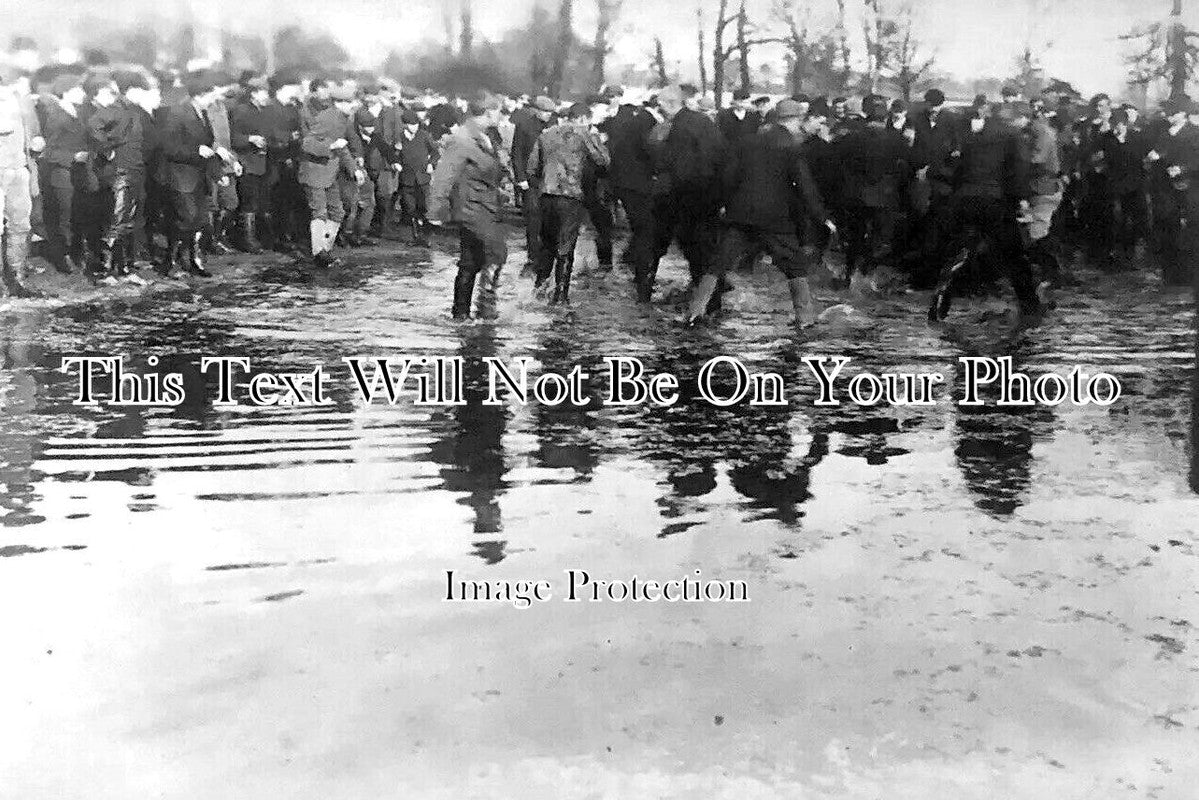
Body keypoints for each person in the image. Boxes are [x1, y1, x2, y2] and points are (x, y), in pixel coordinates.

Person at [687, 99, 835, 329]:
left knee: (719, 262)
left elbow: (729, 177)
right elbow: (805, 186)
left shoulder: (748, 141)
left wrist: (724, 204)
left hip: (741, 213)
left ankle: (694, 312)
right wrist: (822, 217)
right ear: (795, 120)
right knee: (794, 264)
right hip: (775, 217)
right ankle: (805, 319)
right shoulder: (791, 146)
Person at [929, 98, 1041, 322]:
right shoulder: (1012, 135)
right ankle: (1030, 307)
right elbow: (1018, 171)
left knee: (961, 252)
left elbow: (956, 169)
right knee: (1014, 255)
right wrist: (1022, 200)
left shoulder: (974, 137)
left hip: (965, 200)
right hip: (995, 202)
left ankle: (941, 301)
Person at [428, 99, 508, 320]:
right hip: (472, 206)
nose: (501, 116)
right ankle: (486, 310)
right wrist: (436, 210)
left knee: (471, 260)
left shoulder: (486, 136)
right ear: (488, 112)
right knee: (496, 253)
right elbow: (444, 176)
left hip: (484, 204)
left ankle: (460, 313)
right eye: (499, 111)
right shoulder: (463, 139)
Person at [647, 85, 725, 306]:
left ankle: (705, 302)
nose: (659, 109)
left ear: (671, 104)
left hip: (688, 197)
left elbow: (680, 167)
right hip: (709, 195)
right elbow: (720, 155)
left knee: (694, 249)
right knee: (706, 249)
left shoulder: (679, 128)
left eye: (661, 105)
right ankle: (710, 298)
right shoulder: (703, 122)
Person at [525, 101, 611, 303]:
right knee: (565, 247)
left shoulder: (546, 134)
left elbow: (531, 167)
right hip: (571, 196)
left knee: (547, 244)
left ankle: (539, 290)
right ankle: (560, 296)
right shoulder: (584, 134)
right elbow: (603, 162)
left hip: (546, 195)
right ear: (582, 118)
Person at [158, 71, 223, 277]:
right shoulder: (178, 113)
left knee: (199, 220)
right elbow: (168, 147)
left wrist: (216, 165)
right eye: (211, 95)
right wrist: (196, 151)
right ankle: (172, 261)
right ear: (200, 94)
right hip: (180, 176)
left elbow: (207, 143)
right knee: (186, 218)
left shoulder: (201, 113)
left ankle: (193, 260)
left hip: (199, 176)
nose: (214, 100)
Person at [85, 71, 145, 280]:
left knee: (127, 223)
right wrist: (106, 149)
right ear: (129, 91)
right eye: (140, 90)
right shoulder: (116, 110)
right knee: (117, 222)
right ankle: (105, 271)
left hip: (134, 170)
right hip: (121, 171)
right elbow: (93, 125)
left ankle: (124, 269)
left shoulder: (131, 111)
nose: (143, 94)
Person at [298, 78, 360, 267]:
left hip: (329, 172)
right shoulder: (327, 118)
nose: (354, 105)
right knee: (320, 212)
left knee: (337, 212)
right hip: (314, 172)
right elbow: (307, 143)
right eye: (350, 102)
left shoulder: (342, 119)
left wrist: (354, 169)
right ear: (340, 103)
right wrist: (330, 146)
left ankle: (326, 248)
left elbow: (343, 147)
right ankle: (319, 252)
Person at [40, 71, 91, 273]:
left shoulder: (77, 112)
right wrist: (72, 157)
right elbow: (49, 151)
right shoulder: (56, 116)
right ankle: (63, 257)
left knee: (78, 215)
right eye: (78, 89)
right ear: (67, 92)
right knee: (65, 218)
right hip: (61, 176)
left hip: (77, 174)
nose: (82, 93)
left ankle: (76, 253)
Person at [1146, 96, 1199, 285]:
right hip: (1165, 189)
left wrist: (1183, 169)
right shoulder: (1164, 134)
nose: (1169, 115)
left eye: (1173, 111)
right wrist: (1155, 158)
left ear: (1183, 113)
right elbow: (1157, 155)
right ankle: (1170, 273)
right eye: (1168, 111)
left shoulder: (1195, 133)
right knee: (1168, 228)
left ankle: (1189, 275)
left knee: (1190, 230)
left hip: (1190, 188)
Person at [606, 88, 657, 281]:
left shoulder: (624, 121)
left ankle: (629, 258)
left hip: (622, 179)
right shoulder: (646, 123)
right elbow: (648, 150)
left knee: (639, 224)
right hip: (638, 181)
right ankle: (638, 268)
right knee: (645, 226)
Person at [0, 65, 42, 297]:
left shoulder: (20, 101)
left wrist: (37, 141)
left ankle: (17, 280)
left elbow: (33, 131)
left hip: (18, 169)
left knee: (20, 226)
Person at [510, 95, 556, 269]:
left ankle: (547, 251)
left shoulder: (554, 126)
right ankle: (533, 255)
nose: (548, 115)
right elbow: (517, 153)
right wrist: (520, 178)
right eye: (545, 112)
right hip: (530, 179)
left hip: (549, 178)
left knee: (549, 217)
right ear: (536, 111)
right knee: (533, 217)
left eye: (550, 112)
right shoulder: (524, 126)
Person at [229, 74, 272, 253]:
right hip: (247, 163)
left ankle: (257, 237)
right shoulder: (242, 111)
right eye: (263, 93)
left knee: (259, 202)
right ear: (254, 94)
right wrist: (250, 139)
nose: (267, 97)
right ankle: (247, 240)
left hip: (261, 164)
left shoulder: (263, 112)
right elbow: (232, 138)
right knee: (248, 203)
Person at [396, 107, 437, 245]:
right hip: (407, 178)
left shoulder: (424, 136)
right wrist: (396, 162)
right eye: (411, 125)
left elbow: (436, 152)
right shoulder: (400, 137)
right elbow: (394, 155)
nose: (414, 127)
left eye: (416, 124)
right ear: (405, 124)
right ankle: (416, 236)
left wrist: (431, 163)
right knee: (410, 208)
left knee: (424, 207)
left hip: (423, 178)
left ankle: (426, 236)